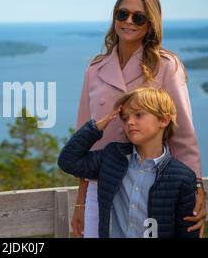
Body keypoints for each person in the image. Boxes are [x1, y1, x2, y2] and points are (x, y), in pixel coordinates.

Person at [72, 0, 206, 238]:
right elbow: (84, 142)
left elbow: (184, 136)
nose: (129, 22)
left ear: (151, 24)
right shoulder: (94, 70)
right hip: (101, 188)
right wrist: (80, 202)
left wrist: (197, 186)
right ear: (114, 18)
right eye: (122, 14)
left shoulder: (166, 66)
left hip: (150, 187)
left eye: (139, 17)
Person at [59, 87, 199, 238]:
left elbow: (187, 232)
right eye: (125, 118)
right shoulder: (112, 157)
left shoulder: (183, 177)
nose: (130, 122)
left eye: (138, 115)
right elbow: (68, 161)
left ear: (164, 120)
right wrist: (98, 125)